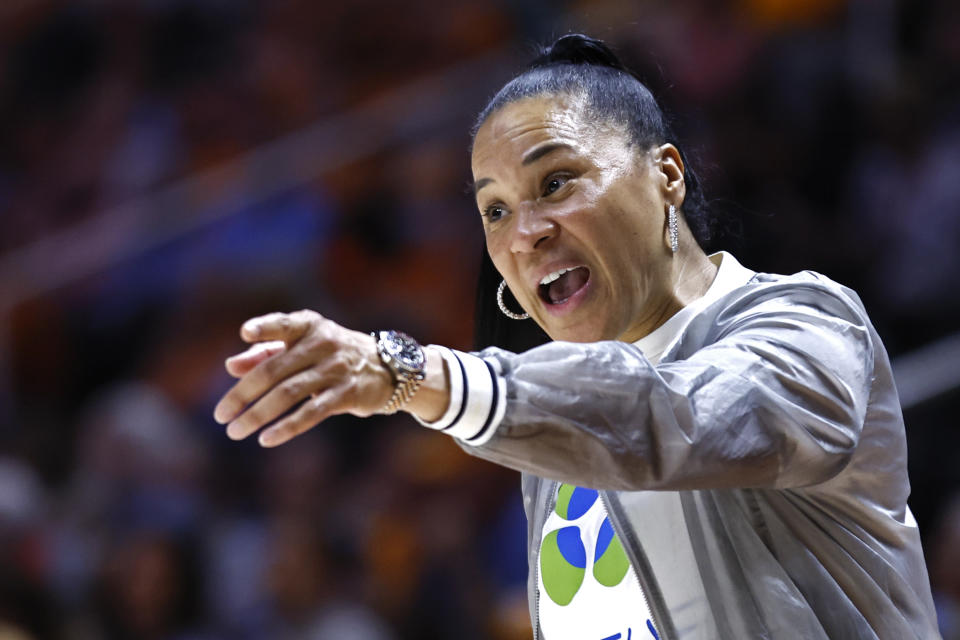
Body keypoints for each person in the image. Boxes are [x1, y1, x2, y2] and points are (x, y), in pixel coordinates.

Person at [213, 34, 940, 639]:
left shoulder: (810, 325)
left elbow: (674, 416)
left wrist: (414, 374)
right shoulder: (556, 431)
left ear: (667, 175)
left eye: (556, 182)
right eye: (494, 212)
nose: (524, 234)